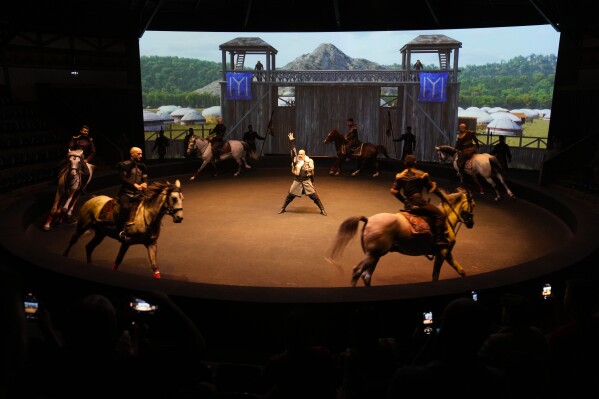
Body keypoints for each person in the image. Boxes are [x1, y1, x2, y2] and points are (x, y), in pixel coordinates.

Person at [390, 154, 449, 247]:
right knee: (440, 215)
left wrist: (405, 201)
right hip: (419, 203)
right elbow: (433, 189)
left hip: (408, 205)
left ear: (405, 163)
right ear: (415, 163)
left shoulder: (400, 176)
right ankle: (439, 239)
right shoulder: (421, 174)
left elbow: (394, 191)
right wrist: (443, 197)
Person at [278, 132, 327, 216]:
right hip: (297, 181)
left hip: (306, 181)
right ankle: (283, 208)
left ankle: (322, 209)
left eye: (301, 154)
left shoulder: (309, 161)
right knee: (290, 196)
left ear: (304, 154)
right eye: (299, 154)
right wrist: (292, 141)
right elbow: (294, 151)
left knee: (314, 196)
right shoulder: (296, 160)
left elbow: (312, 173)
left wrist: (312, 182)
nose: (300, 155)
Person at [116, 147, 148, 243]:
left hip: (138, 194)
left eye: (141, 154)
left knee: (148, 206)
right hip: (125, 193)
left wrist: (145, 183)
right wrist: (134, 185)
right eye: (138, 154)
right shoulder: (123, 165)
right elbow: (123, 179)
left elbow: (145, 178)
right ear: (132, 154)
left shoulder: (142, 166)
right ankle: (120, 230)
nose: (141, 156)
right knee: (125, 208)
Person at [67, 124, 96, 191]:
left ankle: (82, 187)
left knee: (87, 173)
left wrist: (87, 159)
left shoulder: (89, 141)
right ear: (81, 131)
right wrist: (71, 153)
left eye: (87, 131)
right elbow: (70, 147)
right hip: (73, 156)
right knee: (59, 165)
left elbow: (93, 152)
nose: (85, 132)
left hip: (81, 158)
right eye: (84, 131)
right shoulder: (75, 138)